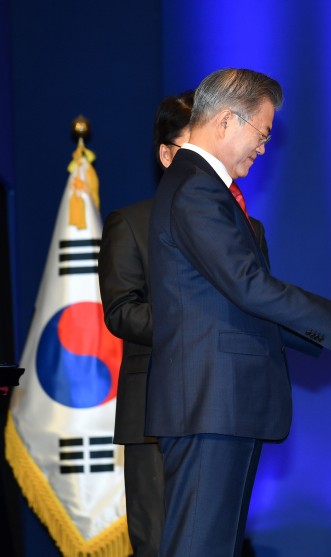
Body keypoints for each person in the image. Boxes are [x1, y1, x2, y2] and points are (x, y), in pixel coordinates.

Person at [146, 68, 331, 557]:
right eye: (261, 135)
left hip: (219, 405)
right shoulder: (196, 188)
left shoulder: (199, 186)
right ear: (225, 121)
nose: (263, 149)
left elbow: (240, 301)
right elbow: (249, 286)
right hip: (209, 404)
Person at [99, 90, 196, 557]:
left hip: (224, 409)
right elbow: (122, 310)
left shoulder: (248, 229)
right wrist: (198, 329)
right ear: (167, 155)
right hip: (153, 411)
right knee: (158, 543)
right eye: (194, 150)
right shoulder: (132, 223)